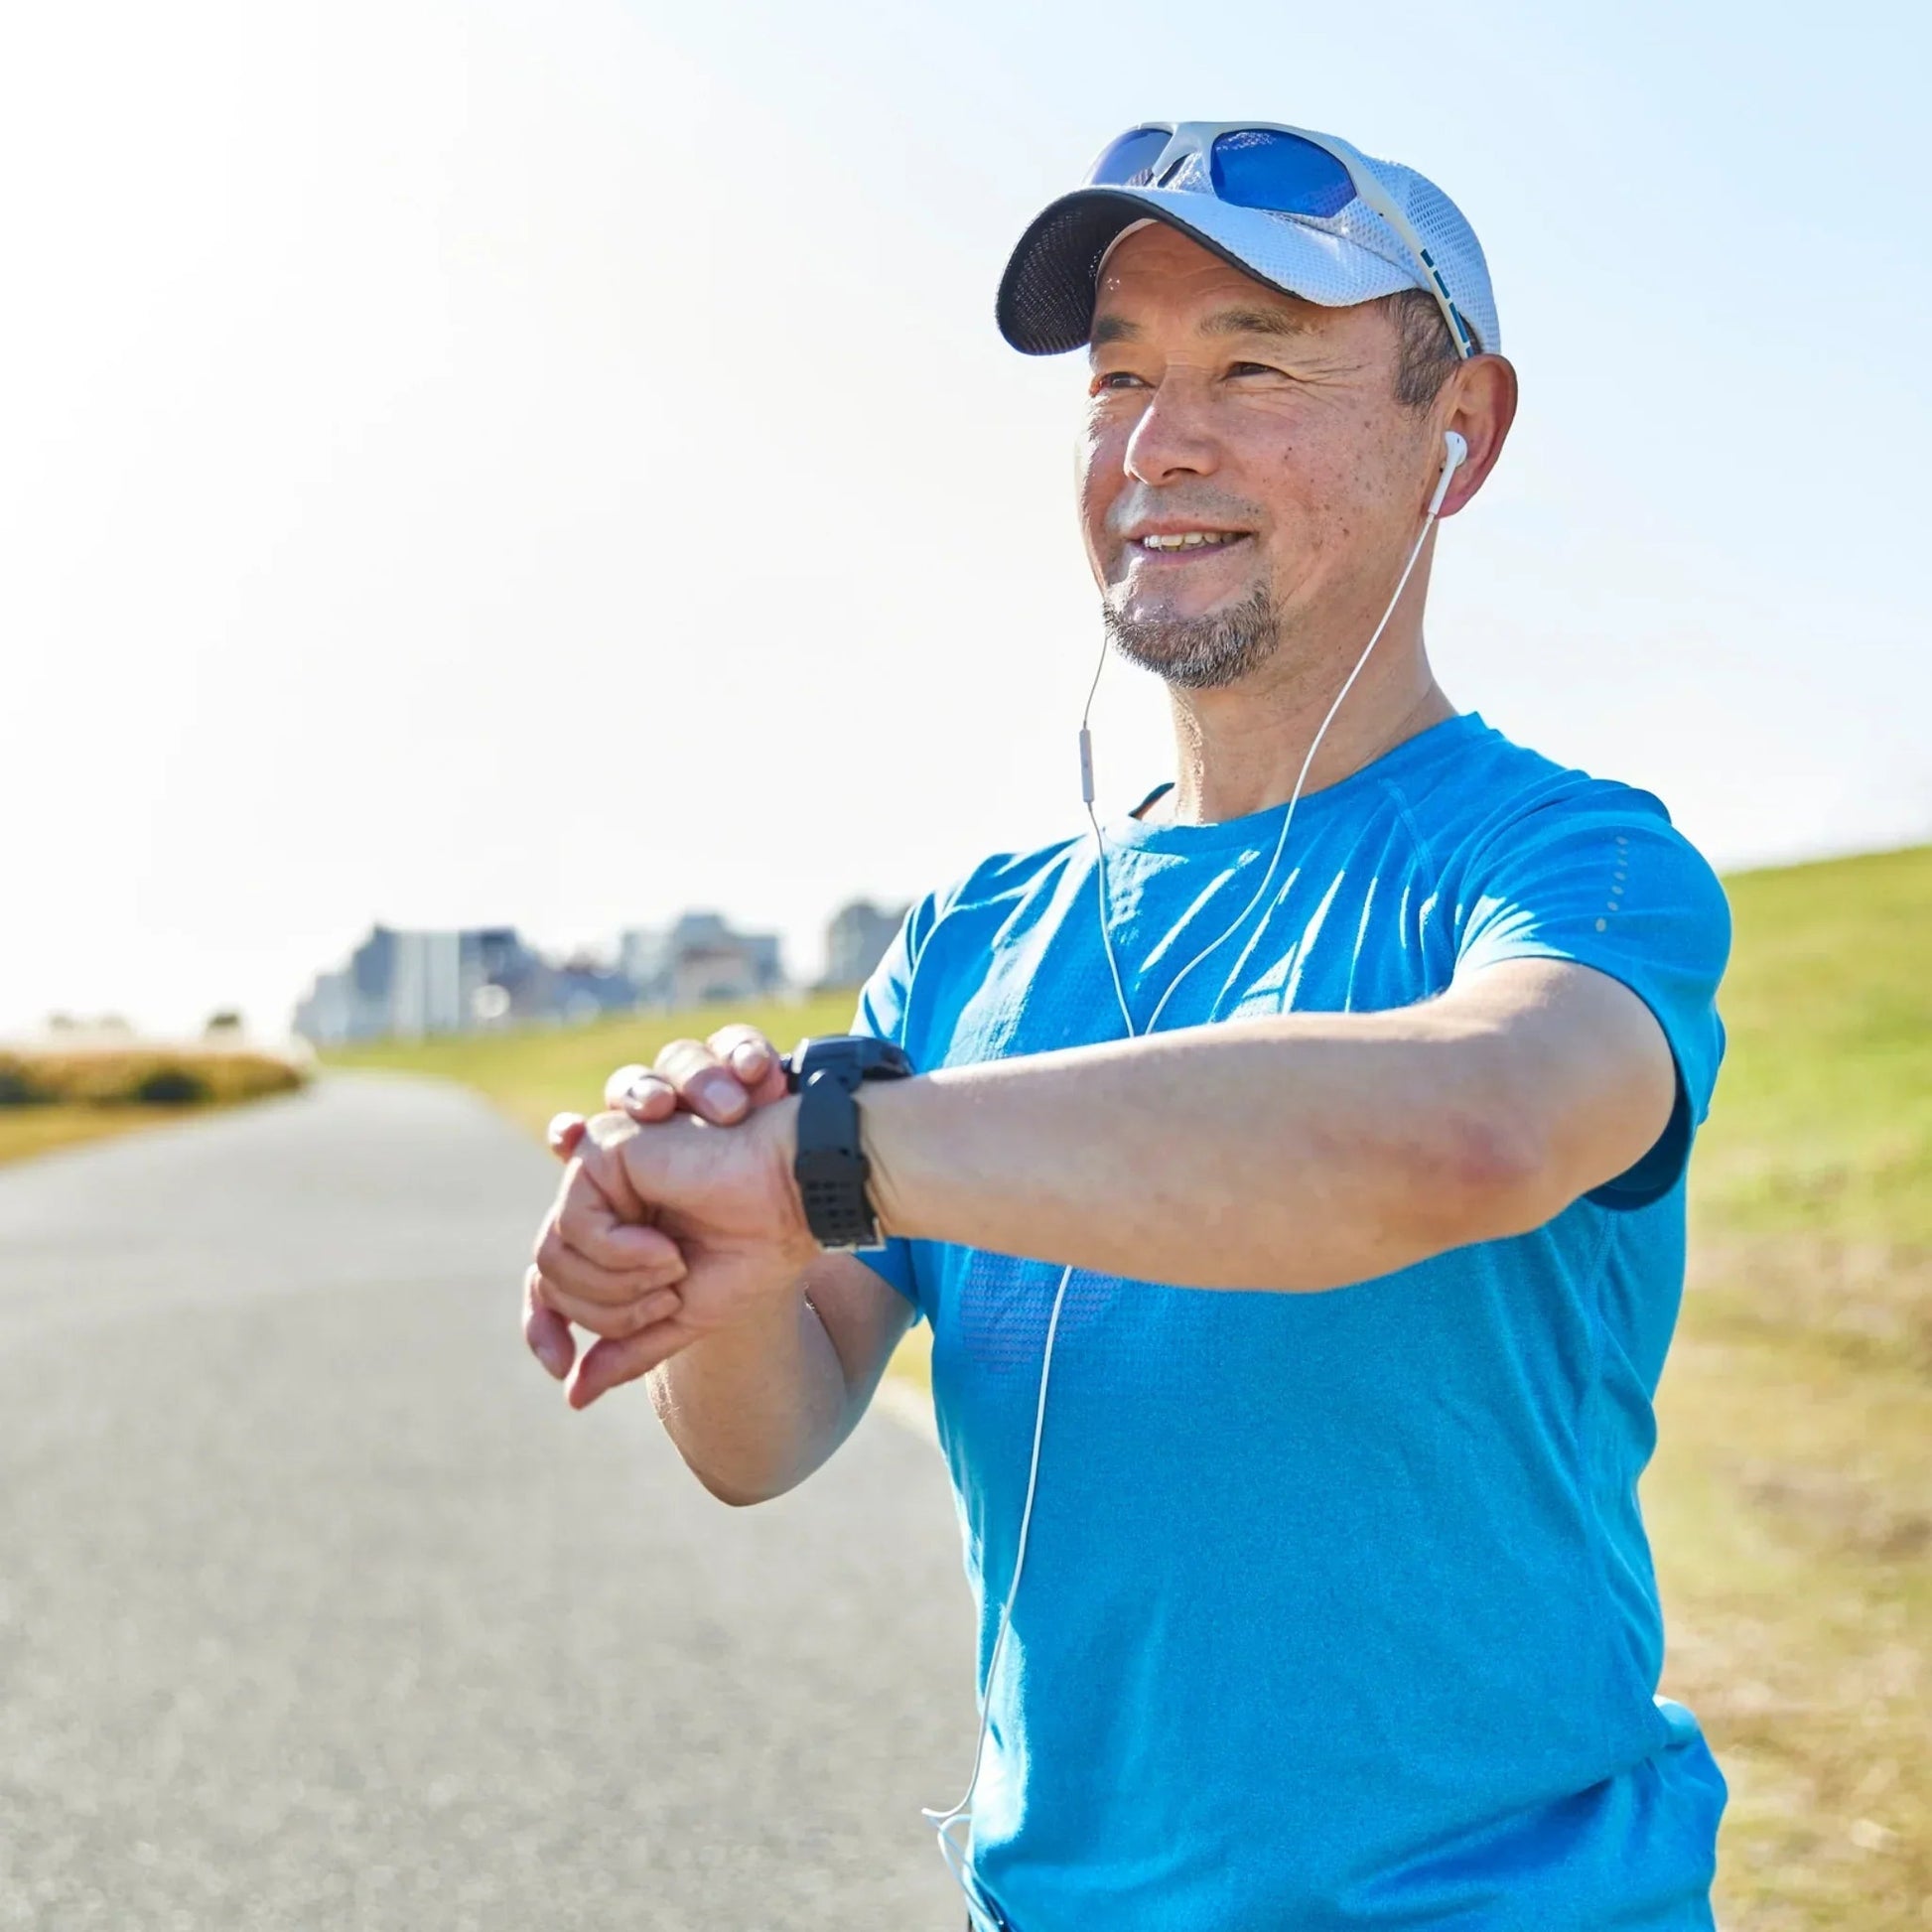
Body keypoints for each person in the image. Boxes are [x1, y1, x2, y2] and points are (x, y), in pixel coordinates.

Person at [526, 120, 1731, 1932]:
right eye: (1117, 379)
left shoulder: (1568, 863)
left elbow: (1475, 1124)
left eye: (1255, 364)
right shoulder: (971, 938)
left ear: (1459, 431)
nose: (1159, 441)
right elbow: (759, 1437)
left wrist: (823, 1159)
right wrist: (707, 1237)